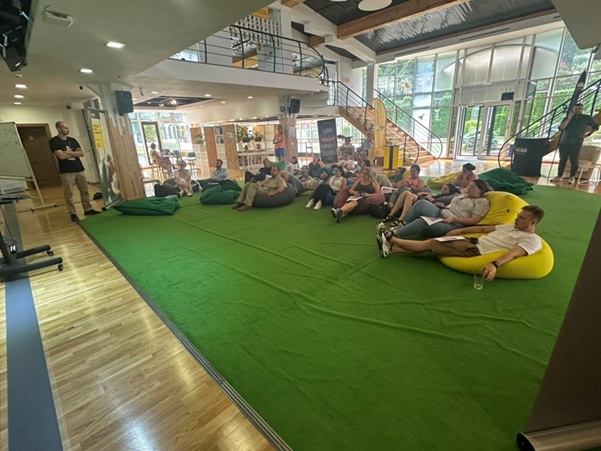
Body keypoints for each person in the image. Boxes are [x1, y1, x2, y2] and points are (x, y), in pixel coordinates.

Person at [376, 205, 545, 281]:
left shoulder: (532, 240)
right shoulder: (510, 226)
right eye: (518, 216)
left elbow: (513, 253)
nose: (516, 219)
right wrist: (459, 231)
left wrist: (494, 264)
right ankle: (392, 249)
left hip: (474, 249)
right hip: (471, 241)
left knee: (430, 243)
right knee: (434, 244)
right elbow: (483, 229)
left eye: (521, 218)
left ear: (533, 223)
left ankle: (391, 238)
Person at [380, 179, 491, 239]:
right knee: (421, 203)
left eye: (472, 187)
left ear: (481, 190)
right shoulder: (465, 195)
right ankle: (403, 224)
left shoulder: (482, 202)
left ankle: (392, 235)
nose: (469, 188)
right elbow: (457, 189)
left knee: (423, 221)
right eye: (469, 186)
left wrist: (453, 219)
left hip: (452, 223)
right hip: (442, 212)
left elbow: (474, 220)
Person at [49, 121, 101, 222]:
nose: (67, 130)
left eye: (68, 128)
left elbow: (81, 153)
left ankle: (87, 209)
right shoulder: (54, 141)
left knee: (84, 190)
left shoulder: (72, 140)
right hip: (66, 170)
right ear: (58, 129)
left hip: (79, 168)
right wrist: (74, 153)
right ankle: (72, 212)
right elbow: (60, 156)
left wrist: (68, 152)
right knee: (69, 193)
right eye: (65, 128)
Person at [551, 103, 599, 184]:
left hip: (576, 142)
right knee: (562, 160)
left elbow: (596, 126)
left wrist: (588, 134)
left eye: (579, 108)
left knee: (574, 160)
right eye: (576, 109)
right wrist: (568, 119)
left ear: (582, 109)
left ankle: (572, 177)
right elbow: (561, 128)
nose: (577, 110)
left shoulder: (586, 118)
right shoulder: (568, 118)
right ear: (573, 109)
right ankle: (559, 176)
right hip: (564, 142)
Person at [384, 183, 459, 225]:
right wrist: (424, 193)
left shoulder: (446, 198)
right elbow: (432, 194)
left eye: (445, 189)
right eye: (442, 188)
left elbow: (434, 201)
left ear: (450, 192)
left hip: (423, 203)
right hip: (421, 199)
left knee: (409, 195)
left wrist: (429, 197)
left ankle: (401, 218)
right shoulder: (440, 195)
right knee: (406, 192)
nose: (442, 190)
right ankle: (391, 214)